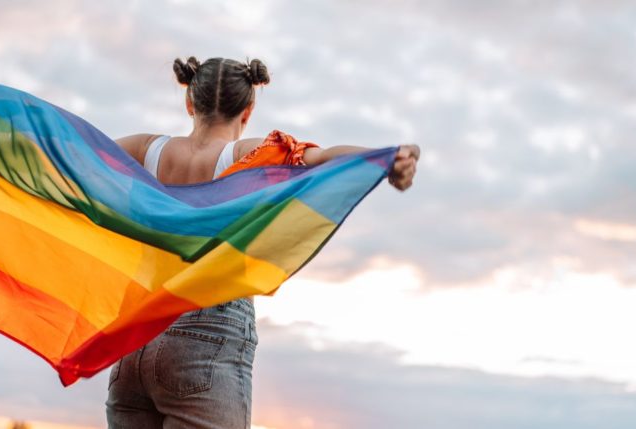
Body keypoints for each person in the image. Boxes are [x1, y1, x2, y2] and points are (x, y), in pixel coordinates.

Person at [105, 56, 419, 429]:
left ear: (189, 102)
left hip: (134, 341)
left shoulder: (145, 149)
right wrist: (387, 159)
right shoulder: (247, 156)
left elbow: (72, 150)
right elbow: (320, 159)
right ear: (248, 110)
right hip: (205, 337)